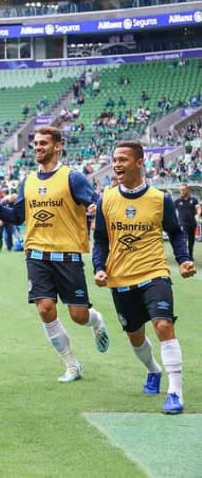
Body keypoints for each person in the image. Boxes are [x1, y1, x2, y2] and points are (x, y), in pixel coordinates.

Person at [0, 126, 110, 383]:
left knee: (78, 315)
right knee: (45, 309)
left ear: (57, 146)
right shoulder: (27, 182)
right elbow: (16, 217)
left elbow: (97, 202)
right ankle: (71, 365)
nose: (38, 147)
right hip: (37, 255)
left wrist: (94, 209)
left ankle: (97, 321)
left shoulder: (72, 178)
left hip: (67, 255)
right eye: (35, 144)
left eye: (44, 143)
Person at [92, 141, 196, 415]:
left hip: (154, 273)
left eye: (123, 159)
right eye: (114, 159)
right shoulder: (106, 199)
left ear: (140, 162)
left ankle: (175, 392)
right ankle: (153, 369)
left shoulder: (160, 199)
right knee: (135, 336)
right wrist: (99, 267)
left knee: (163, 326)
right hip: (120, 278)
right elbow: (100, 240)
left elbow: (175, 232)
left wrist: (184, 259)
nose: (117, 164)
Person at [174, 184, 200, 260]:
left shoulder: (194, 200)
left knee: (191, 241)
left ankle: (190, 255)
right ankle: (184, 257)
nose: (181, 192)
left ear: (187, 190)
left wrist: (198, 215)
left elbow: (198, 208)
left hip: (192, 224)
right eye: (180, 190)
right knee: (184, 240)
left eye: (183, 190)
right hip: (182, 223)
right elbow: (172, 211)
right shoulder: (177, 201)